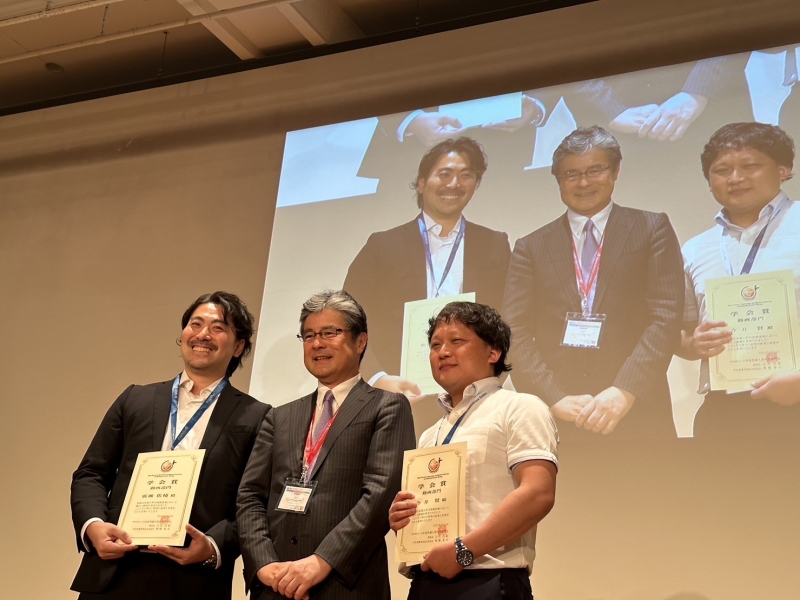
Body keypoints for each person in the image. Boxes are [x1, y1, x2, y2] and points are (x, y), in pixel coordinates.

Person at [70, 291, 270, 600]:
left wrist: (214, 546)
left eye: (218, 328)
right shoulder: (135, 399)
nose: (203, 334)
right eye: (195, 323)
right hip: (114, 573)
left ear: (238, 346)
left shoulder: (258, 417)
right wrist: (93, 526)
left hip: (192, 579)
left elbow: (254, 504)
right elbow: (91, 474)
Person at [503, 125, 685, 441]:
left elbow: (666, 316)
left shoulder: (652, 227)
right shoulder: (530, 246)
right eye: (571, 174)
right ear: (558, 180)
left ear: (615, 171)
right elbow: (514, 330)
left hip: (638, 409)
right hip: (560, 417)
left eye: (595, 170)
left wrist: (625, 390)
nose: (584, 182)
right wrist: (554, 397)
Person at [237, 289, 416, 600]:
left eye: (330, 332)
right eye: (308, 336)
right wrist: (264, 564)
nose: (317, 343)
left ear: (360, 341)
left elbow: (380, 494)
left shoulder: (386, 406)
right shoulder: (279, 416)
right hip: (276, 586)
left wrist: (321, 562)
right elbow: (250, 495)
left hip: (347, 584)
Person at [389, 301, 558, 599]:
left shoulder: (520, 407)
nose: (443, 352)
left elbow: (537, 493)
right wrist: (403, 518)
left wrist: (462, 552)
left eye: (457, 341)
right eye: (435, 344)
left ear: (494, 352)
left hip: (489, 582)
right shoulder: (431, 434)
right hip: (426, 581)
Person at [344, 137, 511, 400]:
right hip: (397, 394)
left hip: (474, 394)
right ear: (421, 183)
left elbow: (509, 317)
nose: (454, 184)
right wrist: (378, 377)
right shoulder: (382, 245)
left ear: (475, 184)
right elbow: (347, 319)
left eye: (465, 175)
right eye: (444, 174)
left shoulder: (494, 244)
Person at [678, 122, 800, 436]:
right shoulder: (693, 248)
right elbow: (681, 333)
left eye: (750, 166)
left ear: (784, 168)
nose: (735, 178)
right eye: (721, 170)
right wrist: (694, 343)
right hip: (723, 413)